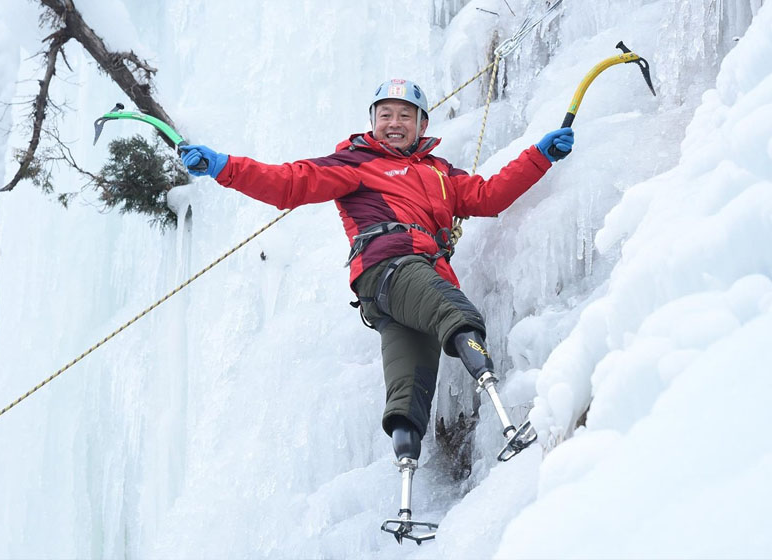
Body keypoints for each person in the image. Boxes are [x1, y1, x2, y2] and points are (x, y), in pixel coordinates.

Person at [180, 78, 573, 541]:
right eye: (385, 114)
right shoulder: (355, 163)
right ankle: (509, 425)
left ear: (422, 124)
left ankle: (405, 508)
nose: (394, 123)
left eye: (405, 115)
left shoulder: (442, 174)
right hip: (389, 267)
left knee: (410, 386)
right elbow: (290, 182)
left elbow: (488, 196)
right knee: (456, 313)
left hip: (406, 286)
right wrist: (225, 166)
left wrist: (539, 156)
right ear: (372, 122)